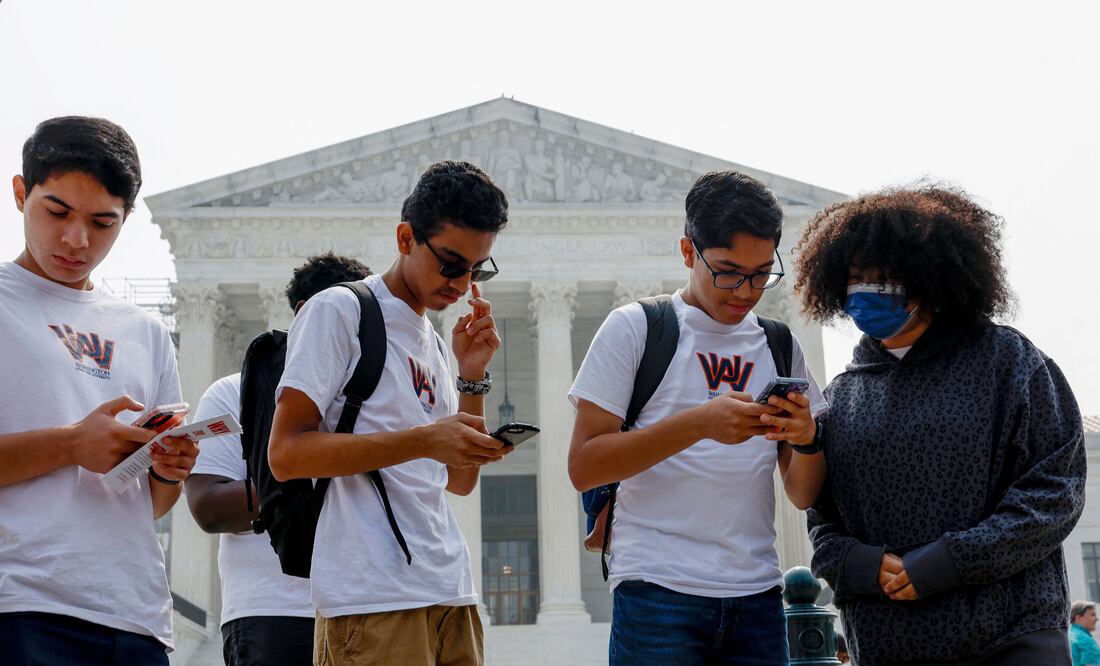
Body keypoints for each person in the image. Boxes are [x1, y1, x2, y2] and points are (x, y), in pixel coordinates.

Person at [796, 185, 1086, 665]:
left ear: (930, 278)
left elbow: (1056, 491)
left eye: (885, 277)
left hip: (1010, 639)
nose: (866, 289)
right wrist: (863, 566)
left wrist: (949, 562)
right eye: (856, 277)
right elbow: (824, 522)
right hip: (888, 645)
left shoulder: (1009, 362)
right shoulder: (842, 396)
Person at [568, 171, 828, 664]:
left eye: (760, 274)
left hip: (757, 593)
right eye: (728, 272)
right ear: (688, 252)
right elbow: (584, 465)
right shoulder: (636, 328)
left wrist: (807, 438)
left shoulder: (778, 343)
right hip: (656, 590)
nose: (745, 291)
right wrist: (699, 424)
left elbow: (801, 493)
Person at [268, 161, 512, 665]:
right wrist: (423, 440)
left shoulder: (436, 345)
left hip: (450, 589)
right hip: (372, 596)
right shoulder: (340, 310)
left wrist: (471, 377)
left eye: (476, 268)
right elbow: (286, 454)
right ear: (406, 238)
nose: (462, 283)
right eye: (451, 263)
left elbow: (459, 481)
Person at [0, 117, 197, 664]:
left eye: (102, 222)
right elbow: (78, 447)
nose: (77, 240)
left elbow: (150, 504)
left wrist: (168, 469)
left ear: (126, 218)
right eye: (57, 212)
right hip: (20, 606)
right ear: (21, 193)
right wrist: (70, 444)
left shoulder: (145, 333)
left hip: (133, 615)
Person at [186, 253, 371, 666]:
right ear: (306, 314)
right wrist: (313, 471)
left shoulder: (374, 402)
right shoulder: (233, 392)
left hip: (369, 606)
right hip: (275, 613)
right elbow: (209, 507)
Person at [1071, 601, 1100, 666]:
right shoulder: (1085, 641)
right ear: (1078, 618)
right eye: (1093, 615)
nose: (1097, 619)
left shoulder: (1066, 636)